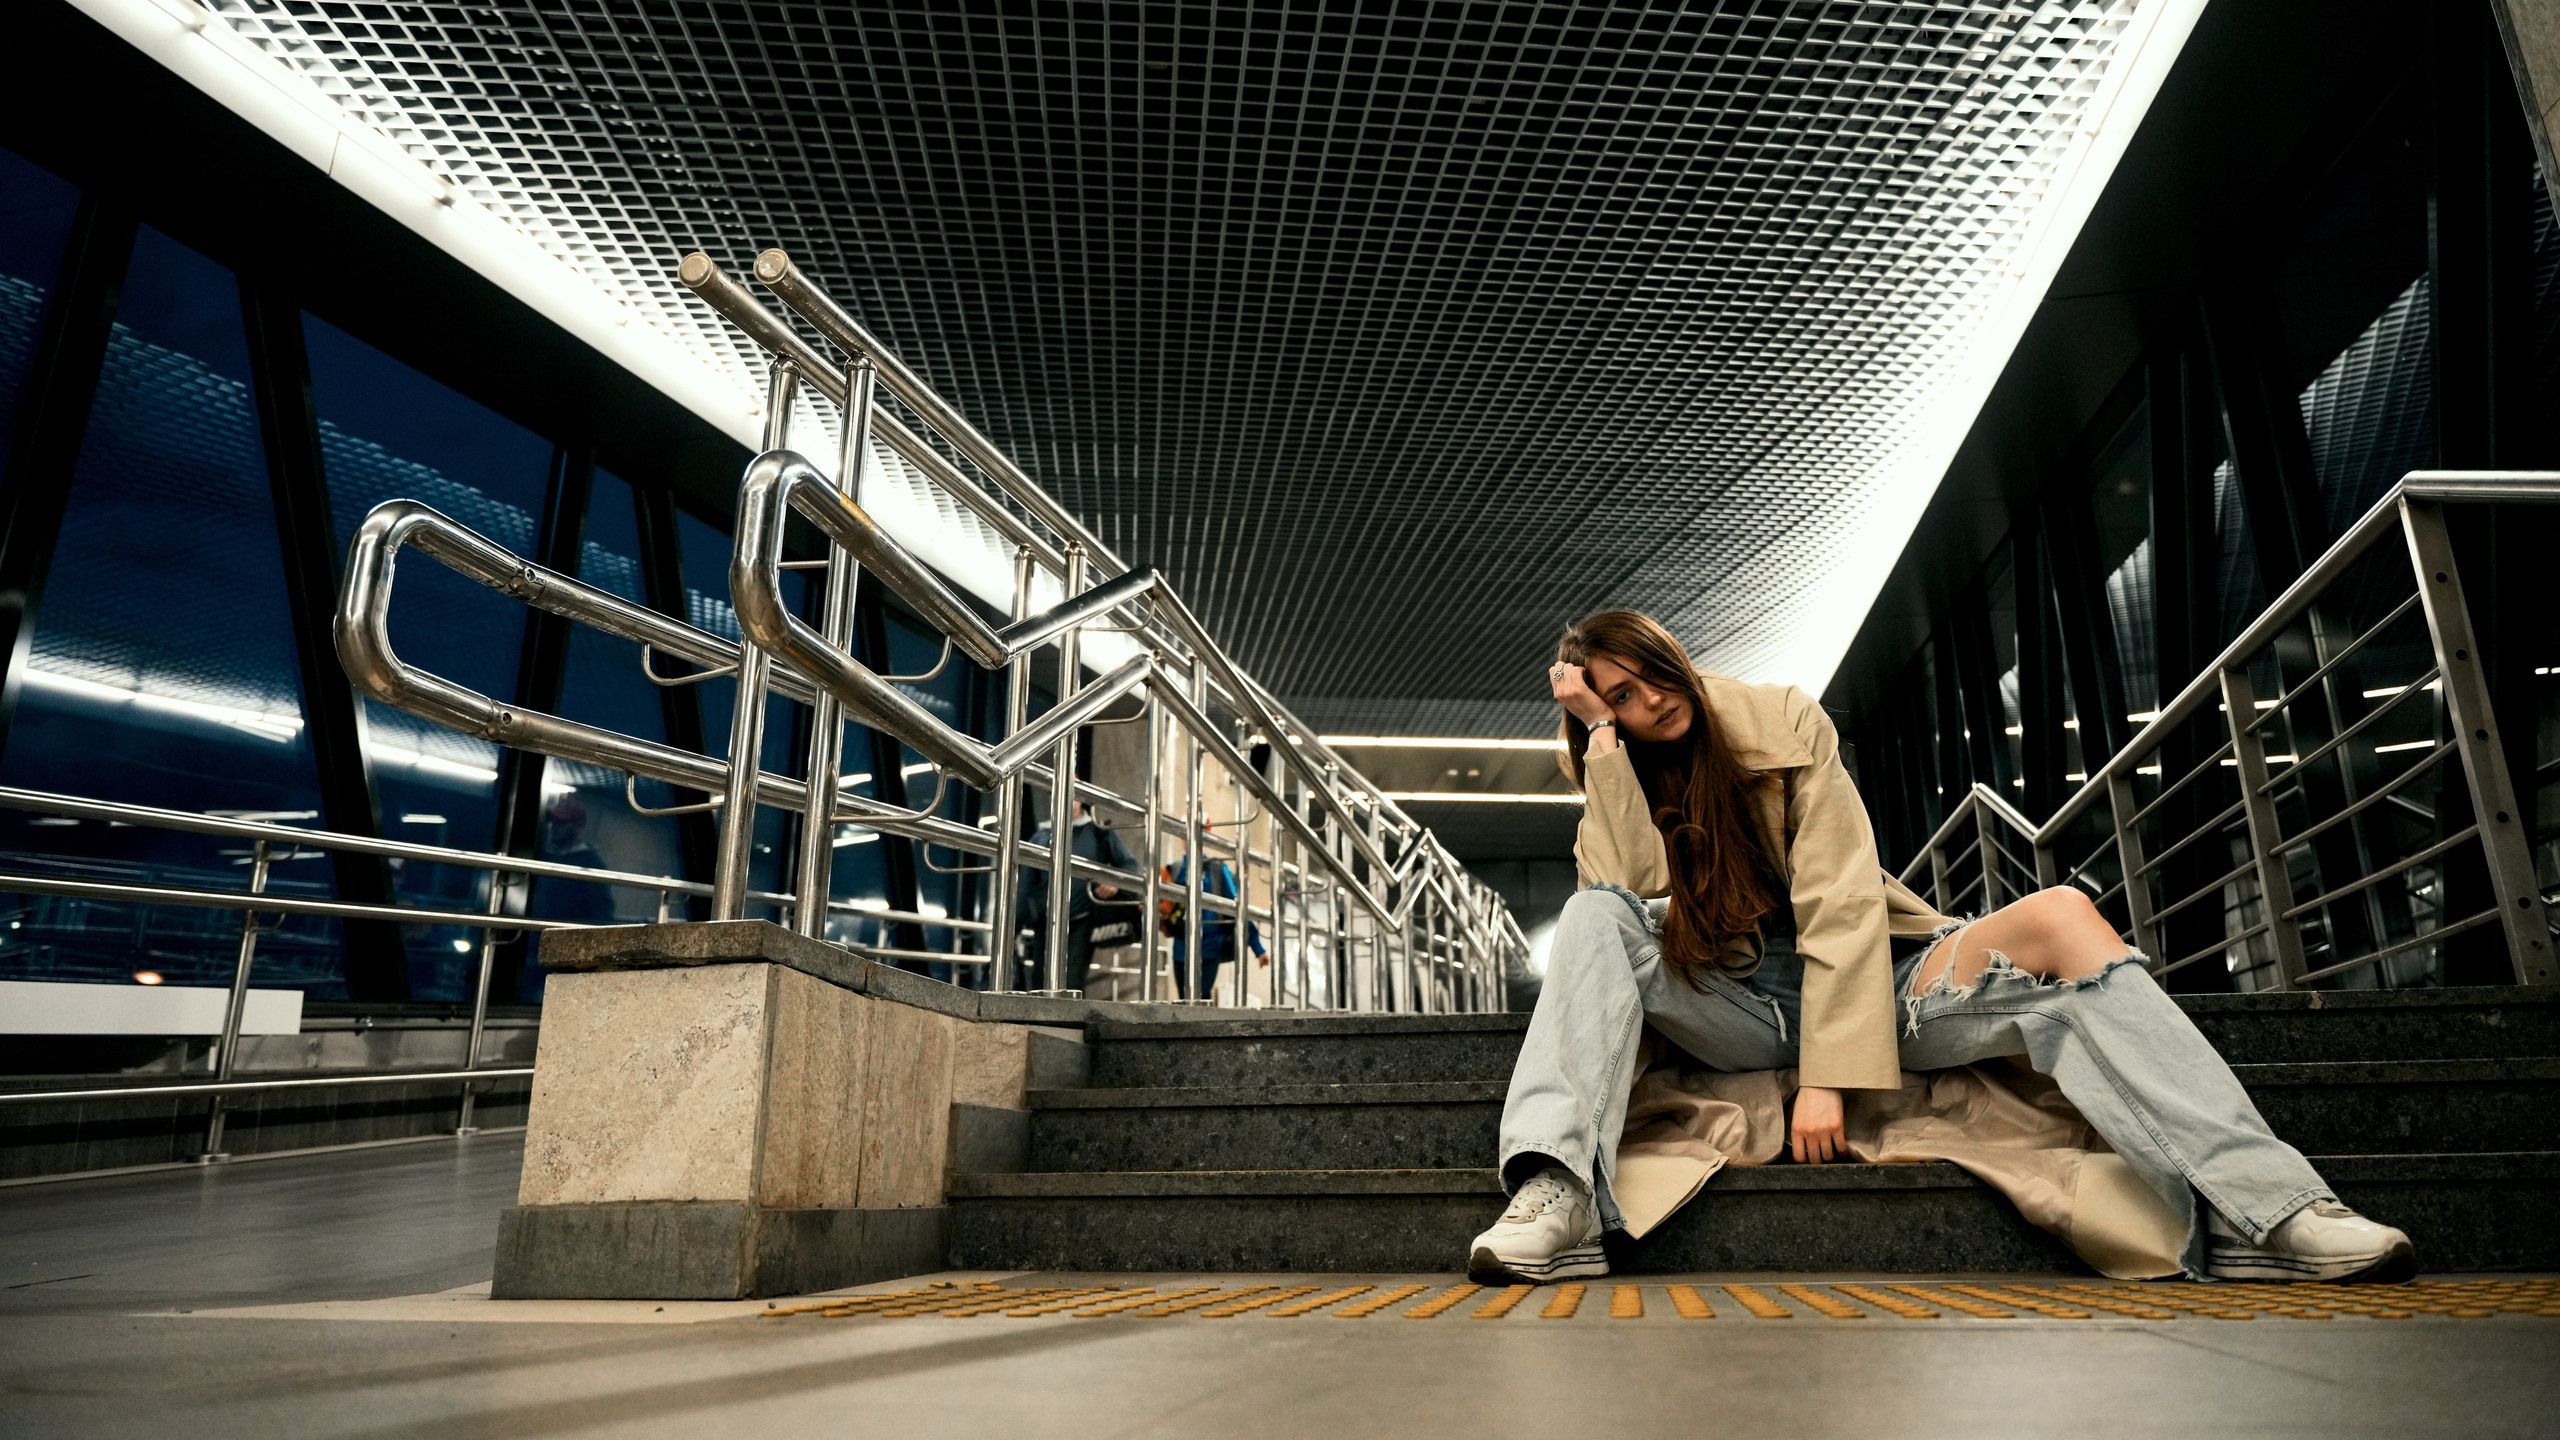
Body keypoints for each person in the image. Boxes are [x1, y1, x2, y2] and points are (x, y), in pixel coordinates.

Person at [1470, 609, 2415, 1286]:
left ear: (1677, 660)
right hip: (1734, 1002)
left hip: (1875, 980)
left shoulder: (1787, 723)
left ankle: (2271, 1211)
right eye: (1622, 700)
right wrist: (1602, 745)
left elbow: (1844, 898)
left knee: (2062, 917)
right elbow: (1623, 887)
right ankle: (1555, 1194)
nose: (1650, 703)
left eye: (1651, 677)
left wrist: (1832, 1076)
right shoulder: (1614, 759)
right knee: (1591, 917)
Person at [1018, 801, 1140, 993]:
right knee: (1039, 984)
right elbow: (1024, 889)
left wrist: (1115, 882)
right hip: (1045, 924)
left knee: (1071, 984)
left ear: (1082, 799)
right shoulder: (1040, 837)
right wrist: (1013, 928)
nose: (1067, 797)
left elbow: (1130, 866)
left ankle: (1066, 1024)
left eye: (1074, 793)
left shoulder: (1100, 832)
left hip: (1081, 922)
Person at [1160, 818, 1264, 1000]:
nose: (1189, 838)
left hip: (1209, 948)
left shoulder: (1217, 869)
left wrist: (1258, 948)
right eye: (1184, 833)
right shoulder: (1174, 870)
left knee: (1200, 997)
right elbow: (1161, 903)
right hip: (1181, 949)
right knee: (1184, 999)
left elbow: (1238, 908)